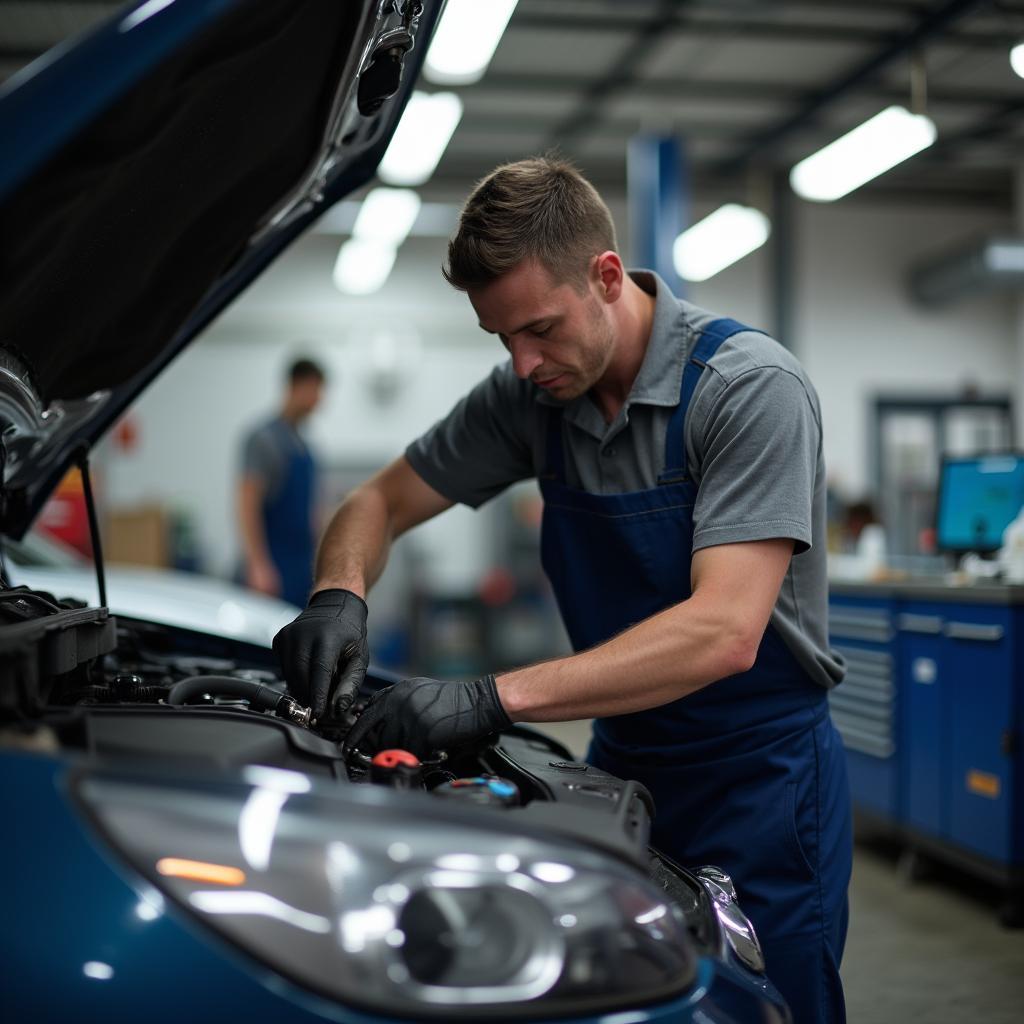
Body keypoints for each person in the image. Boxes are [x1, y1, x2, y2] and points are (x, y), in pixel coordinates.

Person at [273, 158, 852, 1023]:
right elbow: (375, 501)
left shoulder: (745, 390)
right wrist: (338, 594)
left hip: (761, 778)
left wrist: (492, 696)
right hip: (626, 760)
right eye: (501, 339)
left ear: (607, 277)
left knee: (768, 1006)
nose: (523, 361)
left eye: (538, 328)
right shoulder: (530, 397)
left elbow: (724, 631)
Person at [237, 357, 325, 608]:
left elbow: (313, 514)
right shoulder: (264, 440)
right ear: (297, 386)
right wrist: (257, 564)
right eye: (316, 390)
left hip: (301, 566)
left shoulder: (305, 446)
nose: (319, 400)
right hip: (274, 565)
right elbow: (246, 504)